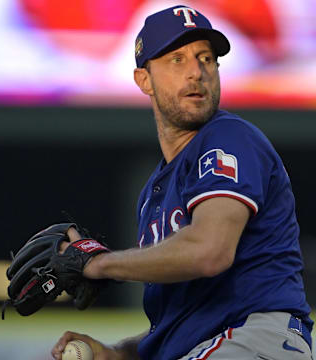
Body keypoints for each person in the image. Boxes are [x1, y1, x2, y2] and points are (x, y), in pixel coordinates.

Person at [51, 5, 313, 360]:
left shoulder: (229, 137)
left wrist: (101, 263)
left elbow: (209, 251)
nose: (196, 71)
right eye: (177, 59)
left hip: (257, 337)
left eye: (206, 57)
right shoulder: (152, 196)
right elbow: (178, 327)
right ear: (144, 80)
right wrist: (116, 353)